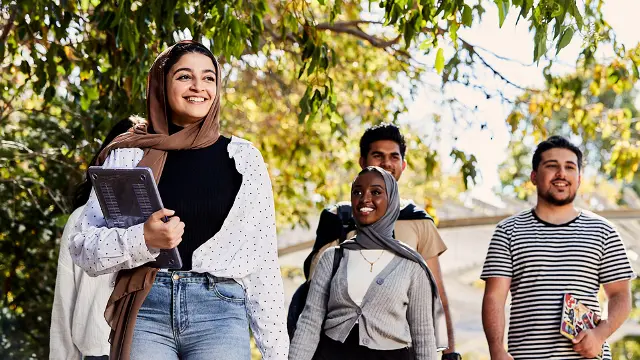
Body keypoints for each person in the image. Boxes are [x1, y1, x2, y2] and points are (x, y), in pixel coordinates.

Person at [68, 41, 288, 360]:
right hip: (146, 307)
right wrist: (142, 238)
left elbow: (263, 264)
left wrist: (277, 353)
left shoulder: (243, 158)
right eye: (185, 76)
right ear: (161, 83)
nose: (199, 87)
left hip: (220, 312)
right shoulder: (127, 155)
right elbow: (83, 248)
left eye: (209, 77)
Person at [295, 123, 456, 358]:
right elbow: (314, 299)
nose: (386, 163)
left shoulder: (418, 222)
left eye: (394, 156)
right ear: (363, 161)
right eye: (378, 155)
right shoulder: (339, 217)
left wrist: (449, 351)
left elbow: (436, 296)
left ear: (403, 164)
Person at [481, 136, 636, 360]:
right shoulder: (508, 231)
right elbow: (494, 297)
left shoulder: (604, 231)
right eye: (552, 166)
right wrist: (496, 350)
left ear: (579, 178)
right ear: (534, 176)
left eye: (569, 167)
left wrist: (600, 334)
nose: (561, 174)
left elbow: (621, 295)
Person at [289, 166, 438, 360]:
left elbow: (424, 335)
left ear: (392, 200)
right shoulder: (332, 258)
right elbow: (309, 323)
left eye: (375, 192)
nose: (364, 198)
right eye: (357, 192)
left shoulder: (411, 265)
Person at [50, 117, 138, 360]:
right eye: (123, 153)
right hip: (96, 352)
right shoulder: (80, 220)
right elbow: (64, 301)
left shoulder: (164, 222)